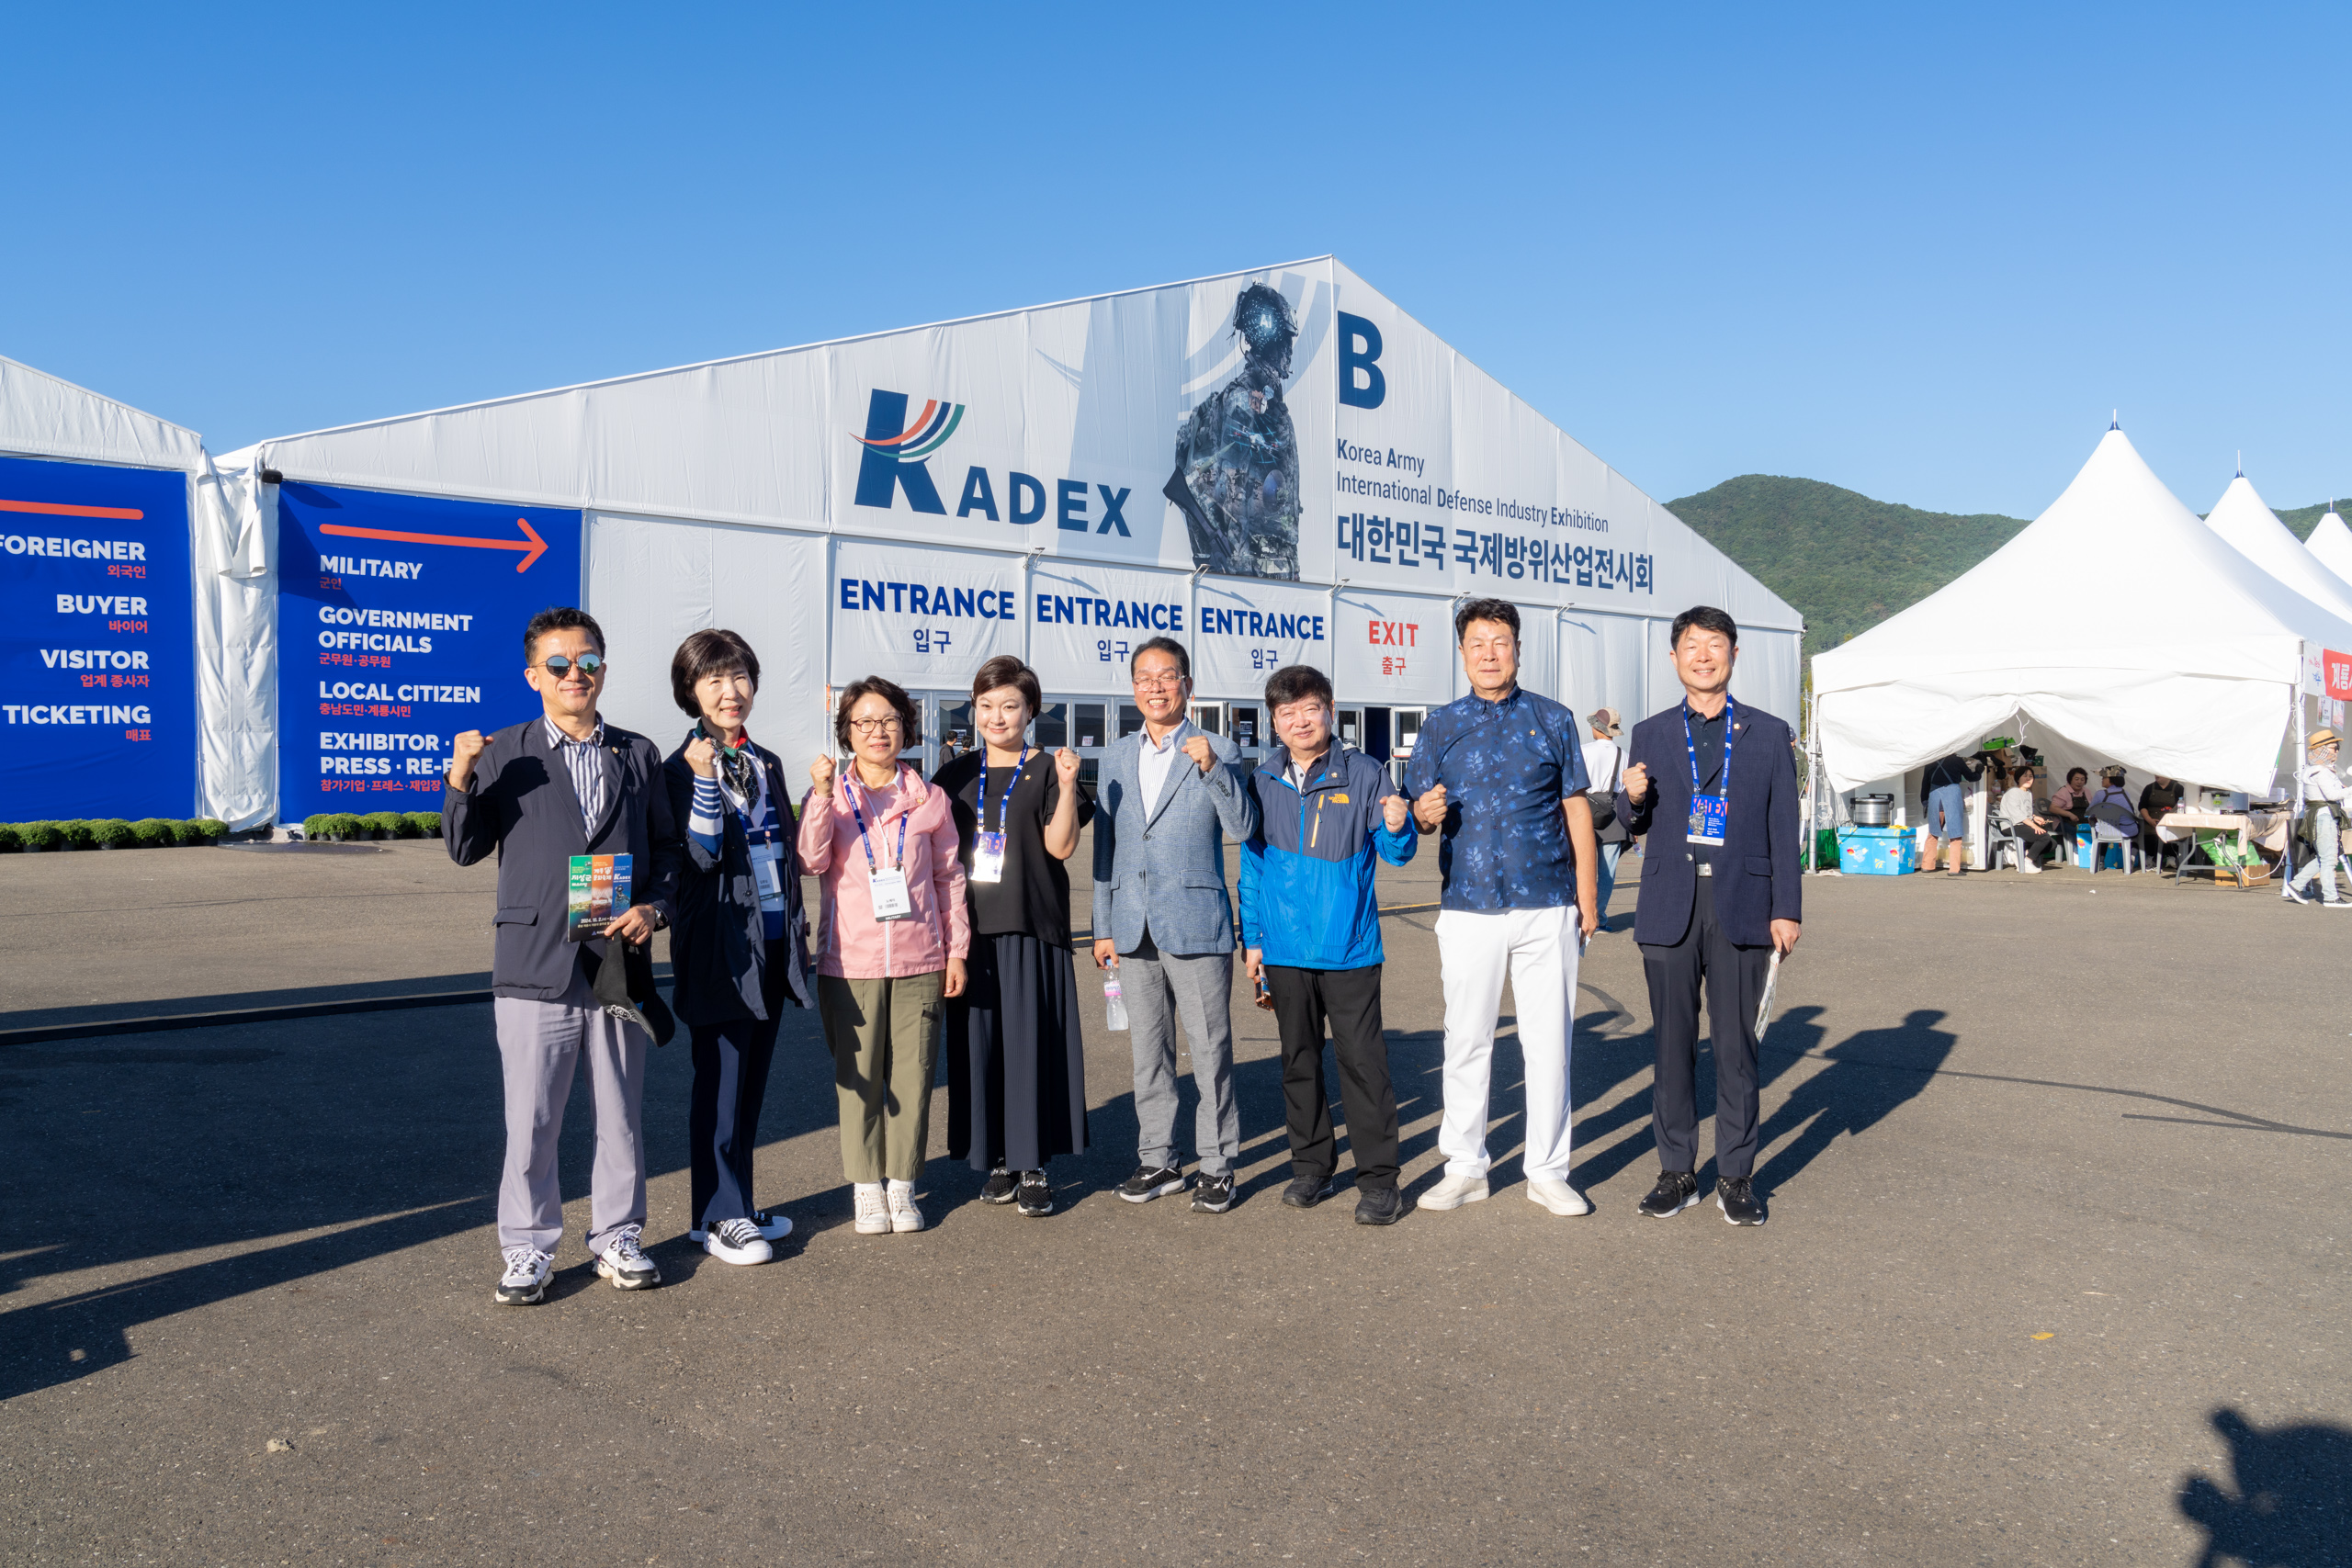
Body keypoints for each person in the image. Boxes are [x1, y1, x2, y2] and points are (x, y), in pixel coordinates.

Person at [446, 607, 682, 1306]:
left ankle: (618, 1236)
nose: (574, 673)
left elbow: (666, 849)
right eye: (558, 663)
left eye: (587, 661)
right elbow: (464, 847)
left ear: (603, 669)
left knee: (621, 1114)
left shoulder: (636, 753)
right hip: (532, 958)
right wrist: (459, 777)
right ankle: (526, 1247)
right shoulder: (505, 751)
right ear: (533, 676)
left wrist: (656, 906)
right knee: (533, 1119)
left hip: (616, 958)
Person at [1402, 598, 1600, 1218]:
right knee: (1467, 1039)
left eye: (1501, 641)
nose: (1490, 653)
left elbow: (1576, 810)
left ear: (1518, 648)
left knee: (1548, 1044)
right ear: (1461, 652)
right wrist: (1422, 815)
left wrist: (1588, 899)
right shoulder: (1439, 725)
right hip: (1468, 903)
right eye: (1478, 642)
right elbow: (1419, 811)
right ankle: (1465, 1165)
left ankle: (1548, 1169)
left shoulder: (1553, 719)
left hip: (1547, 903)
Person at [1618, 605, 1802, 1228]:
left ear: (1734, 654)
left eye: (1714, 644)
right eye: (1691, 645)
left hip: (1743, 905)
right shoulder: (1649, 732)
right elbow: (1632, 821)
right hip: (1671, 904)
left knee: (1736, 1047)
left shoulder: (1769, 732)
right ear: (1674, 658)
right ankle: (1676, 1169)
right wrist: (1631, 797)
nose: (1703, 655)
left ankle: (1737, 1174)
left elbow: (1784, 827)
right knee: (1671, 1046)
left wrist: (1787, 908)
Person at [1238, 664, 1418, 1225]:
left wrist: (1396, 824)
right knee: (1297, 1062)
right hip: (1285, 950)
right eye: (1286, 713)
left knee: (1363, 1064)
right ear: (1274, 721)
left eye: (1309, 709)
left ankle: (1379, 1180)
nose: (1299, 721)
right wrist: (1254, 941)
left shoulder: (1365, 773)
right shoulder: (1263, 779)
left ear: (1330, 710)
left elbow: (1398, 855)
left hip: (1349, 949)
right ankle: (1311, 1166)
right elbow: (1252, 866)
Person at [1091, 636, 1260, 1213]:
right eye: (1144, 677)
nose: (1155, 687)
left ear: (1188, 686)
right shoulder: (1114, 756)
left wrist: (1213, 771)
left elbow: (1241, 827)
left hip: (1195, 920)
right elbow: (1105, 848)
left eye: (1167, 677)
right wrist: (1101, 925)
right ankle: (1158, 1157)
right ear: (1133, 686)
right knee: (1148, 1049)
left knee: (1210, 1047)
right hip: (1131, 923)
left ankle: (1217, 1164)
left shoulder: (1218, 748)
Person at [798, 676, 969, 1236]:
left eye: (889, 720)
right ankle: (866, 1187)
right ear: (847, 731)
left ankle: (902, 1183)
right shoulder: (832, 796)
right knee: (859, 1076)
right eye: (864, 722)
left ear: (906, 727)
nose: (878, 731)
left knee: (913, 1077)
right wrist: (822, 795)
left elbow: (949, 879)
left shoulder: (930, 798)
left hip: (921, 958)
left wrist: (956, 952)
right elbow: (811, 859)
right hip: (850, 962)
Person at [661, 629, 810, 1268]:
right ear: (690, 690)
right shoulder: (677, 768)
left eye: (740, 676)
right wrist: (700, 782)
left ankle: (727, 1207)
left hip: (772, 946)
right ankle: (723, 1215)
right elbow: (696, 855)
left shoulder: (766, 760)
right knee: (720, 1083)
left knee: (748, 1086)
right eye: (715, 679)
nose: (731, 691)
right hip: (720, 947)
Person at [933, 656, 1093, 1217]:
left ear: (1030, 710)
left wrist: (1070, 785)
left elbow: (1061, 847)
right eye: (986, 705)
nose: (997, 716)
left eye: (1009, 706)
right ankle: (996, 1156)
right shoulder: (952, 775)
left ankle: (1032, 1164)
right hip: (969, 931)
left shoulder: (1050, 768)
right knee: (980, 1047)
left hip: (1030, 924)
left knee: (1029, 1045)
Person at [2288, 728, 2349, 908]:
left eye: (2337, 747)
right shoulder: (2320, 771)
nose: (2337, 751)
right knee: (2329, 859)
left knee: (2326, 857)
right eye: (2333, 747)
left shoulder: (2316, 769)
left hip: (2321, 817)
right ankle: (2330, 897)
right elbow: (2331, 795)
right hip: (2324, 817)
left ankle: (2296, 885)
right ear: (2322, 749)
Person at [1582, 707, 1629, 930]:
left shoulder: (1583, 751)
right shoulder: (1624, 755)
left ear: (1596, 727)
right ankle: (1599, 918)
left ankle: (1581, 916)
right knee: (1607, 871)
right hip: (1614, 815)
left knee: (1579, 867)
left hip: (1584, 813)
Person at [1918, 749, 1984, 875]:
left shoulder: (1930, 761)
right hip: (1952, 795)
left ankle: (1927, 865)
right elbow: (1971, 777)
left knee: (1933, 832)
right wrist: (1979, 771)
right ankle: (1954, 869)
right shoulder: (1957, 760)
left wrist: (1925, 802)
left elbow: (1924, 784)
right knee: (1955, 833)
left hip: (1934, 797)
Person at [1995, 764, 2056, 874]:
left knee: (2052, 844)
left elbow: (2026, 812)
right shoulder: (2013, 792)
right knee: (2044, 837)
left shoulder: (2028, 793)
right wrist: (2033, 825)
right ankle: (2027, 862)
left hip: (2023, 824)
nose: (2028, 779)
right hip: (2012, 825)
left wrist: (2034, 817)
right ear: (2018, 778)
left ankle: (2021, 855)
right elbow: (2017, 814)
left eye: (2031, 776)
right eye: (2025, 776)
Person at [2139, 773, 2187, 869]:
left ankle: (2171, 857)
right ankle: (2151, 858)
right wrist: (2149, 819)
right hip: (2151, 822)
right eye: (2155, 773)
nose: (2156, 775)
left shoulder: (2178, 788)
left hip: (2170, 821)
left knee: (2171, 833)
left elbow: (2181, 806)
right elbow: (2142, 806)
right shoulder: (2149, 788)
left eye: (2159, 773)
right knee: (2149, 835)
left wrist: (2169, 818)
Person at [2047, 766, 2091, 850]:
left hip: (2083, 820)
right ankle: (2079, 852)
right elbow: (2052, 808)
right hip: (2063, 821)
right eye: (2076, 779)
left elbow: (2091, 807)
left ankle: (2093, 853)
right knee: (2077, 830)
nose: (2079, 782)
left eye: (2082, 779)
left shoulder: (2086, 791)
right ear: (2070, 780)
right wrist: (2069, 814)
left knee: (2095, 829)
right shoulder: (2063, 791)